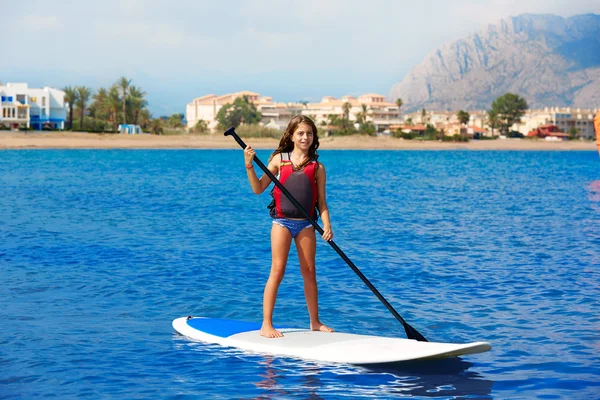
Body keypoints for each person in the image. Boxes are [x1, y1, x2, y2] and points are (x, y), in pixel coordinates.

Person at [243, 115, 334, 338]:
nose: (305, 137)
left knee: (310, 272)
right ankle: (266, 324)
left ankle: (314, 321)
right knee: (277, 270)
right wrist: (248, 165)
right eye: (301, 133)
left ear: (314, 137)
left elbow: (321, 202)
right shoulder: (278, 160)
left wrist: (327, 225)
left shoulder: (318, 167)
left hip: (306, 224)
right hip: (282, 223)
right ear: (292, 135)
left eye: (309, 133)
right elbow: (258, 189)